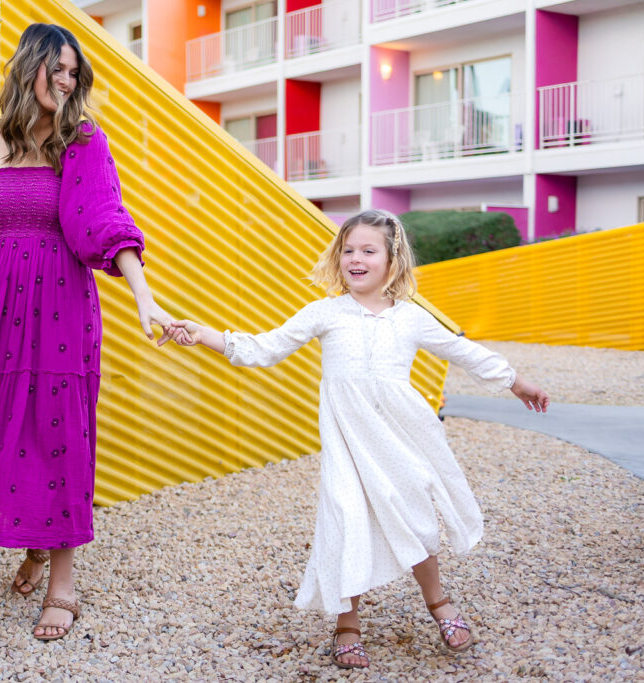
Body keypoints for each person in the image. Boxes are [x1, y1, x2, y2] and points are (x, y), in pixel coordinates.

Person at [168, 209, 549, 668]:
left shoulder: (410, 318)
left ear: (393, 259)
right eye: (348, 250)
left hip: (399, 437)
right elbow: (263, 348)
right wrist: (204, 334)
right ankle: (347, 624)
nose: (356, 258)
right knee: (346, 519)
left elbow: (463, 350)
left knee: (414, 517)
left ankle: (439, 602)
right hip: (348, 443)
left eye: (368, 250)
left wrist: (515, 381)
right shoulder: (325, 313)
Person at [0, 23, 175, 642]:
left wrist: (145, 298)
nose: (67, 78)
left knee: (57, 432)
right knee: (2, 428)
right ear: (28, 66)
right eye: (57, 67)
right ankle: (30, 543)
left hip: (60, 306)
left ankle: (63, 583)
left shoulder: (81, 141)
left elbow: (104, 218)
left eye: (74, 71)